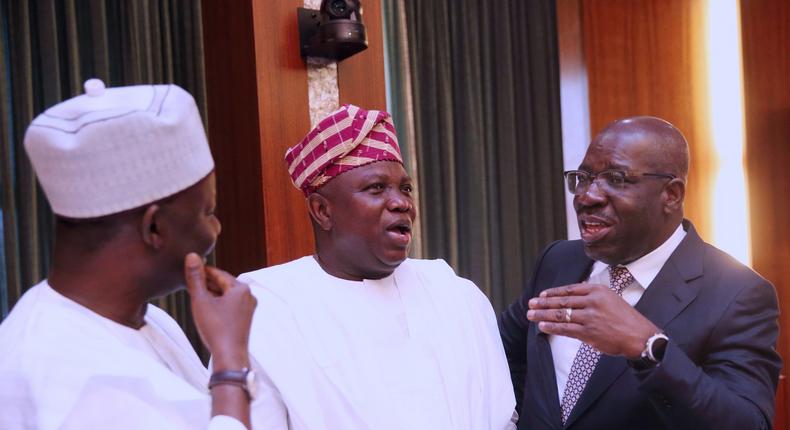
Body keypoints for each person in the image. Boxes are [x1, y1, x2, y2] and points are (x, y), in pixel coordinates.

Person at [239, 104, 517, 429]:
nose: (402, 203)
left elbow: (502, 419)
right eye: (376, 188)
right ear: (322, 211)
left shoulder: (454, 294)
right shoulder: (268, 310)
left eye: (405, 188)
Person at [0, 80, 258, 429]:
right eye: (207, 211)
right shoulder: (70, 379)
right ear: (154, 228)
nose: (217, 229)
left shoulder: (151, 321)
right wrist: (230, 364)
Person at [499, 116, 781, 429]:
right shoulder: (557, 260)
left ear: (671, 194)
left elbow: (748, 423)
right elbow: (504, 355)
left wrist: (647, 347)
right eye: (583, 177)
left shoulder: (737, 293)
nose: (587, 196)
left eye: (616, 179)